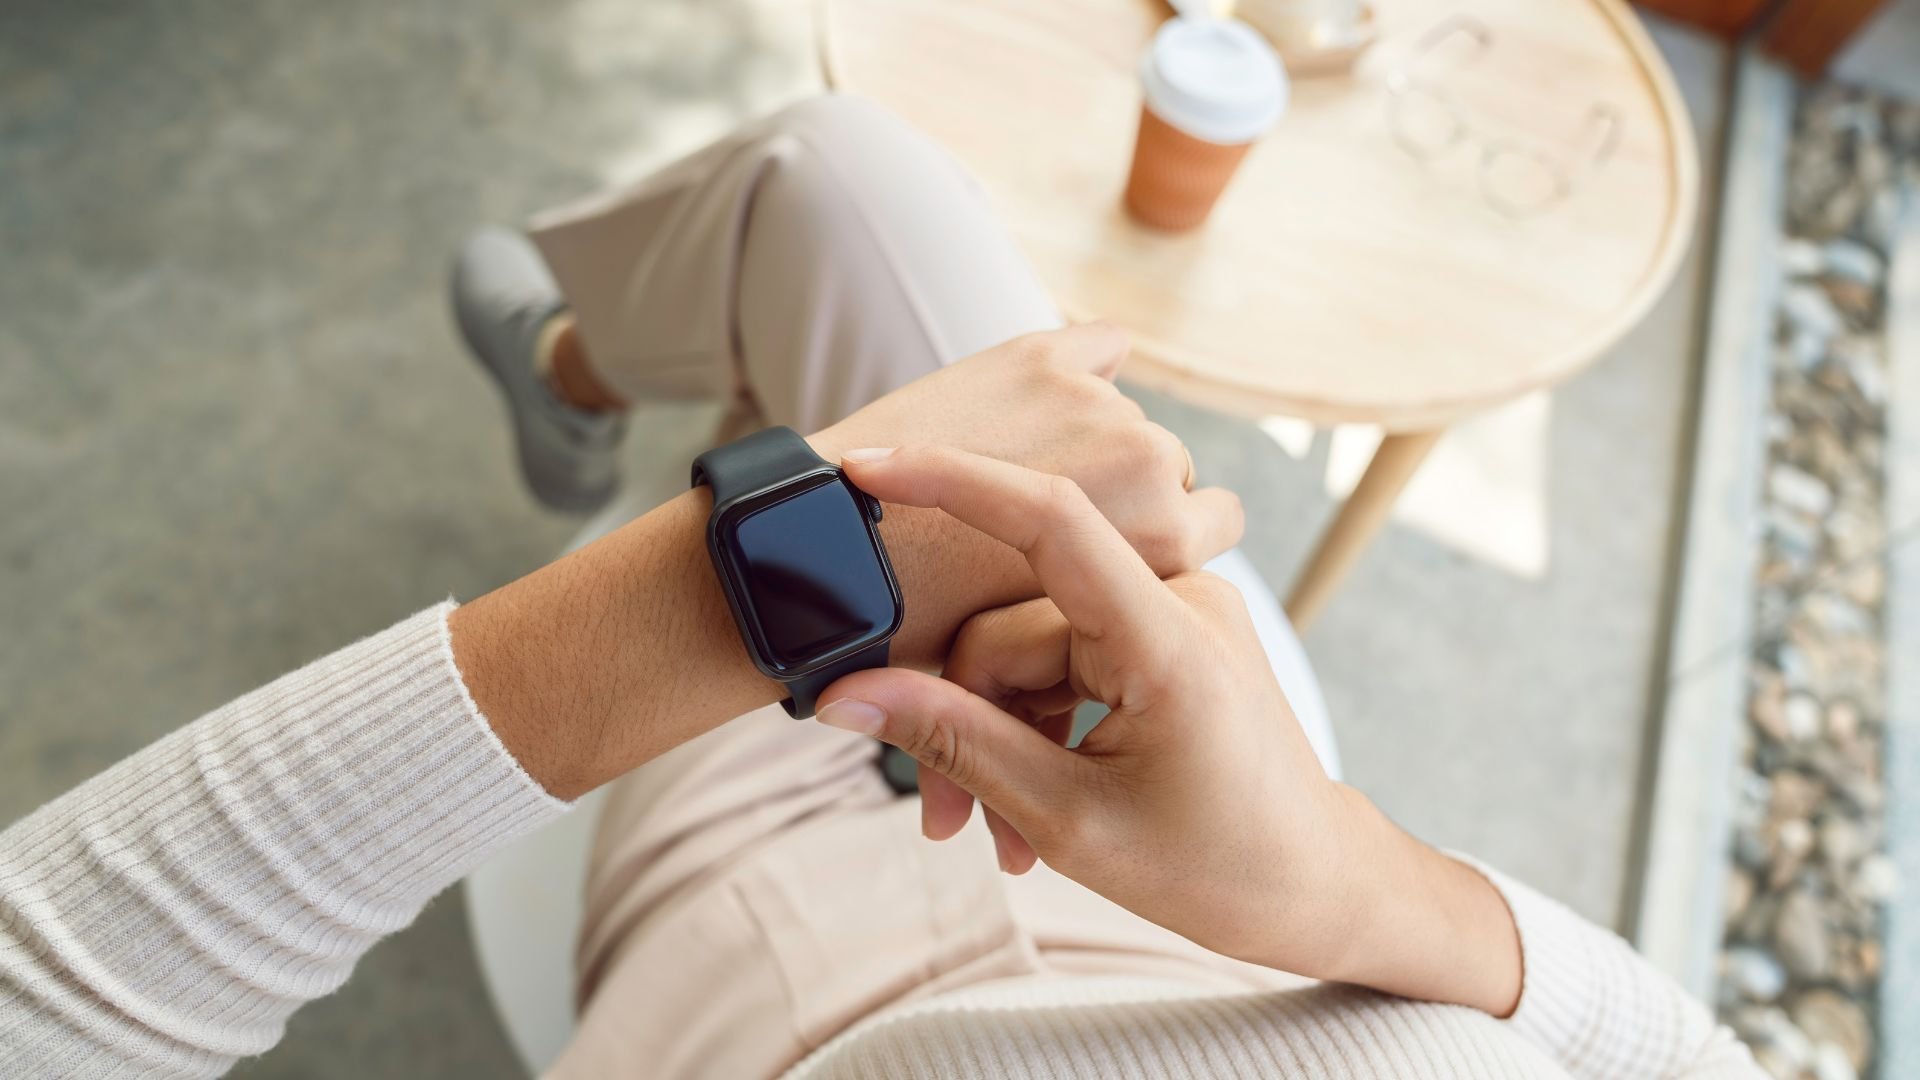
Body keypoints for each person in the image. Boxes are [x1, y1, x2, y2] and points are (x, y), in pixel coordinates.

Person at [0, 96, 1754, 1078]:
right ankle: (587, 376)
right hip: (1244, 869)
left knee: (854, 382)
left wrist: (724, 591)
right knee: (845, 189)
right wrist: (1357, 888)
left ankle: (620, 393)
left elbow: (52, 999)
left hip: (766, 960)